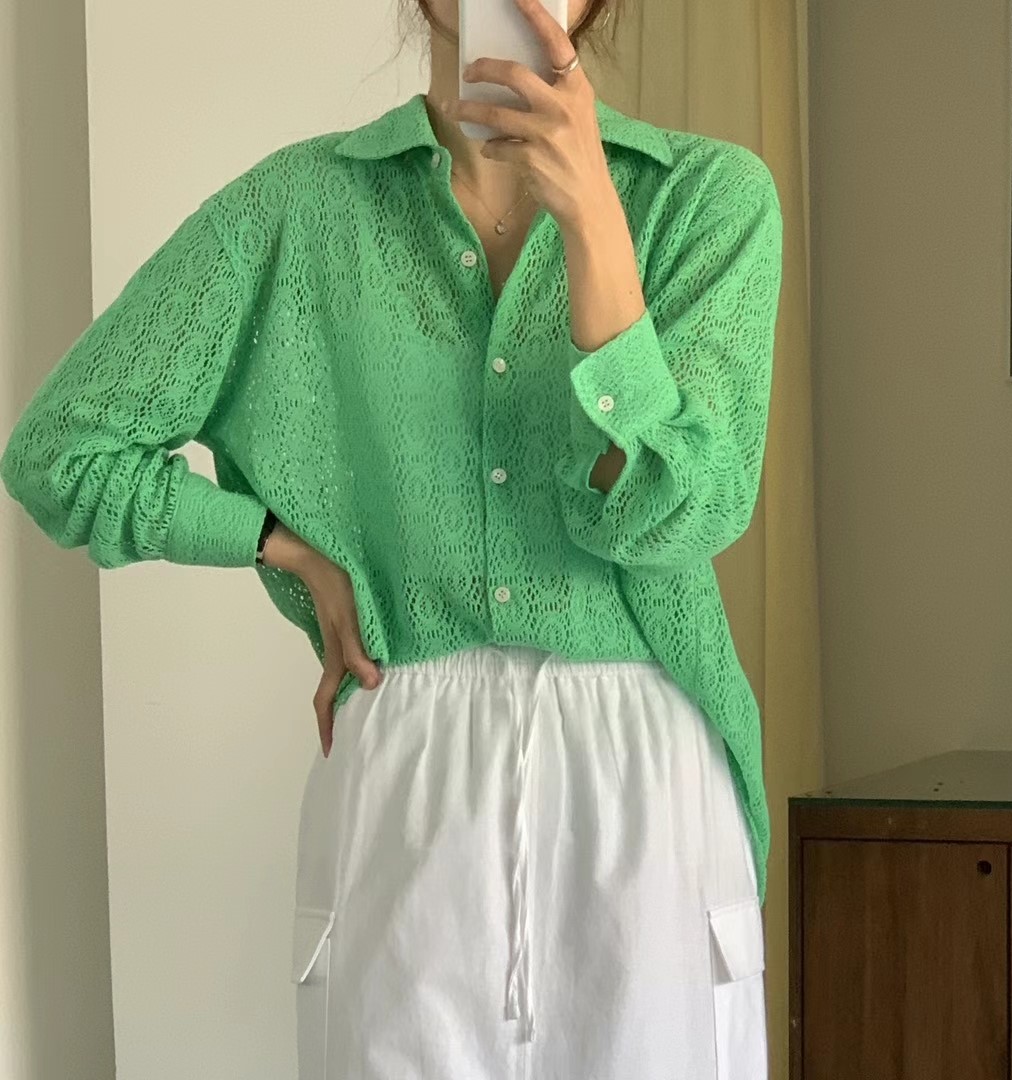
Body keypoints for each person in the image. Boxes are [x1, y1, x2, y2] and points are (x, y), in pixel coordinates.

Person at [0, 0, 783, 1075]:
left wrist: (595, 222)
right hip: (411, 761)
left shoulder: (706, 198)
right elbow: (62, 450)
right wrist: (273, 540)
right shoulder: (292, 210)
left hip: (644, 773)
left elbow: (685, 508)